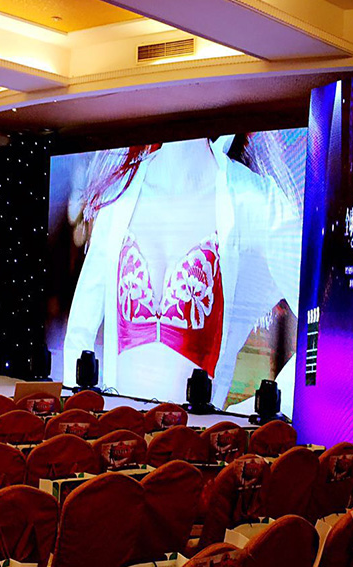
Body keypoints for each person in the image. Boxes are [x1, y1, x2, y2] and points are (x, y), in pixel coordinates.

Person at [62, 134, 302, 415]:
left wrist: (256, 411)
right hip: (119, 430)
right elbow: (79, 335)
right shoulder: (120, 196)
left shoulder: (253, 201)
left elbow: (326, 327)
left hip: (195, 436)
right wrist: (79, 418)